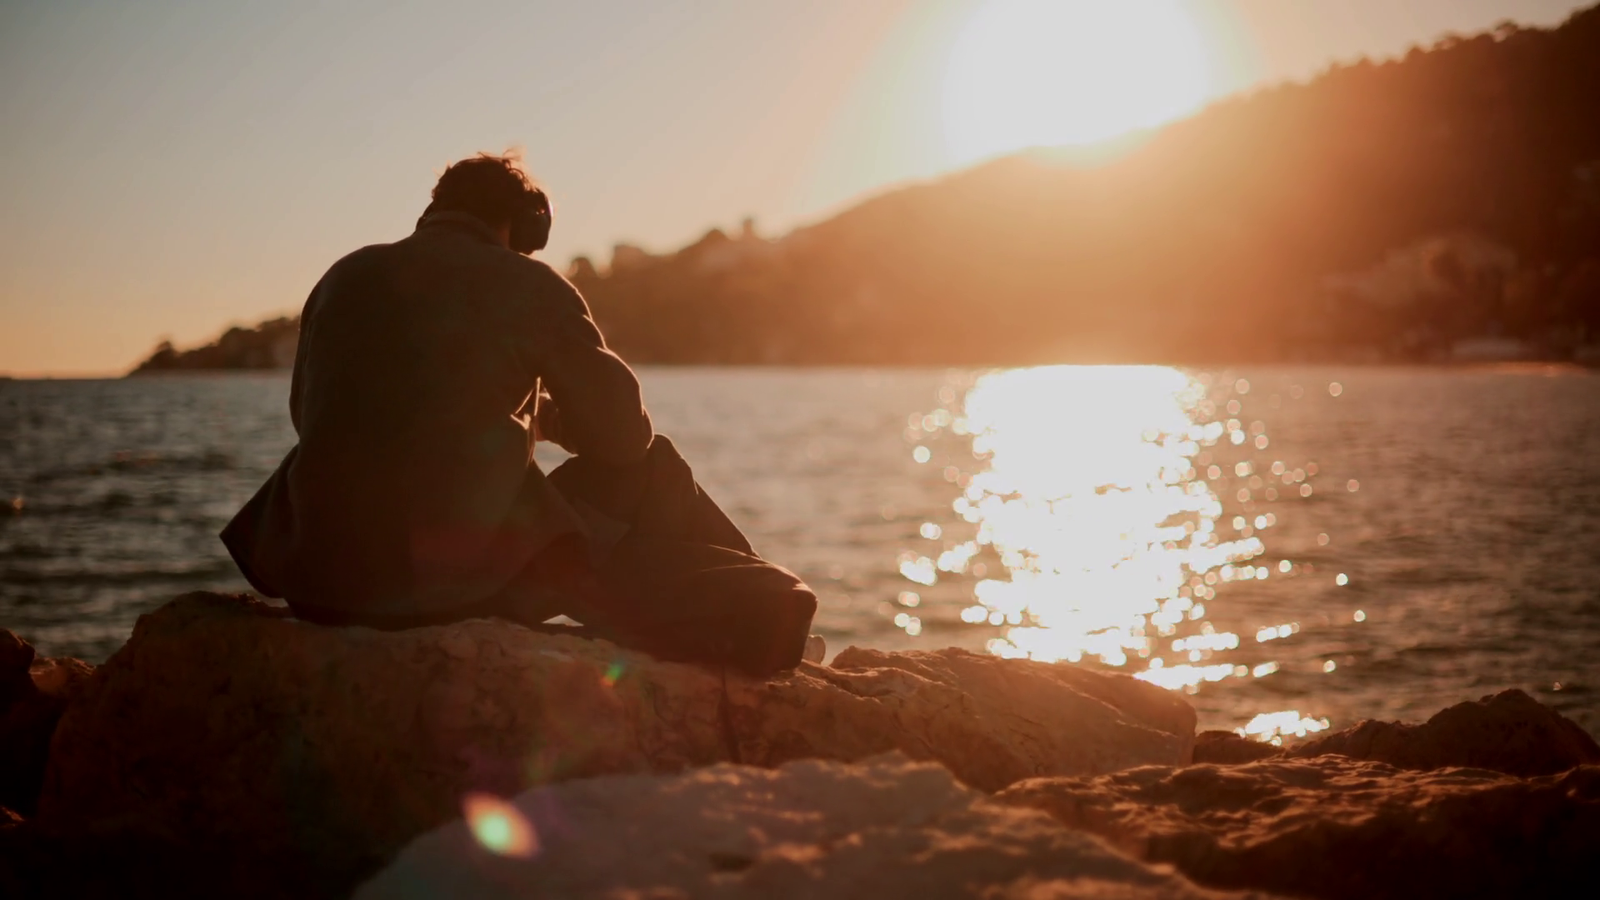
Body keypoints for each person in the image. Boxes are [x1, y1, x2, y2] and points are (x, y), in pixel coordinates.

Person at [221, 152, 819, 676]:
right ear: (526, 225)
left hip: (317, 585)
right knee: (655, 468)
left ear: (435, 210)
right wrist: (556, 422)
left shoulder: (342, 277)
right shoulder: (529, 283)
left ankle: (749, 604)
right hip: (446, 593)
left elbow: (310, 416)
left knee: (602, 526)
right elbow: (624, 439)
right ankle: (765, 611)